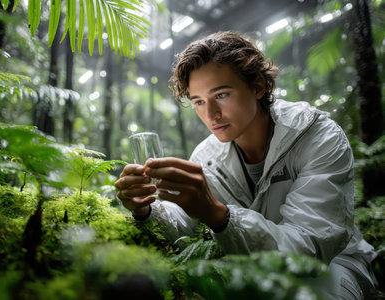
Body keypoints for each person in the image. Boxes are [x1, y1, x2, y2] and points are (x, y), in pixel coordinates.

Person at [114, 31, 377, 299]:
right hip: (249, 266)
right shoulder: (206, 155)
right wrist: (145, 208)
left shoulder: (317, 136)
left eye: (222, 94)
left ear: (258, 86)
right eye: (199, 102)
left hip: (333, 265)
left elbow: (308, 247)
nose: (211, 114)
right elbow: (185, 223)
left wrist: (219, 215)